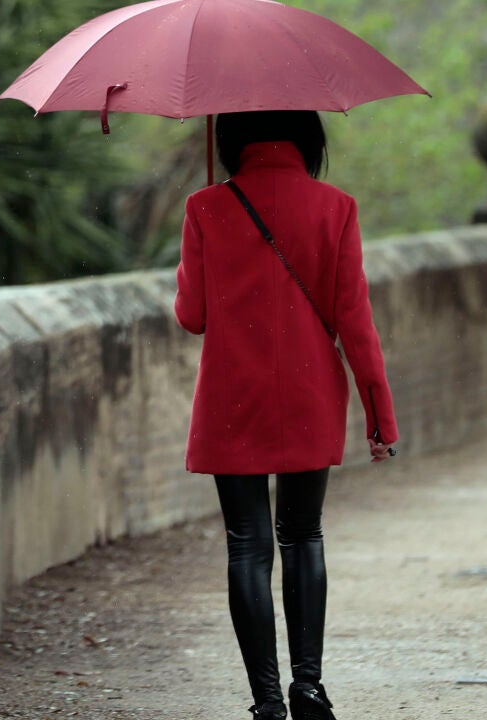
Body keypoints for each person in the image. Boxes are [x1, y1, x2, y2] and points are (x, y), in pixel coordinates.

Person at [173, 110, 398, 720]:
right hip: (308, 393)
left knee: (247, 545)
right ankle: (309, 686)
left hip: (232, 396)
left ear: (232, 137)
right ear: (307, 136)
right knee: (302, 534)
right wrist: (380, 415)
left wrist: (199, 254)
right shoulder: (336, 208)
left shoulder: (206, 207)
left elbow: (192, 316)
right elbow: (355, 322)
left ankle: (267, 702)